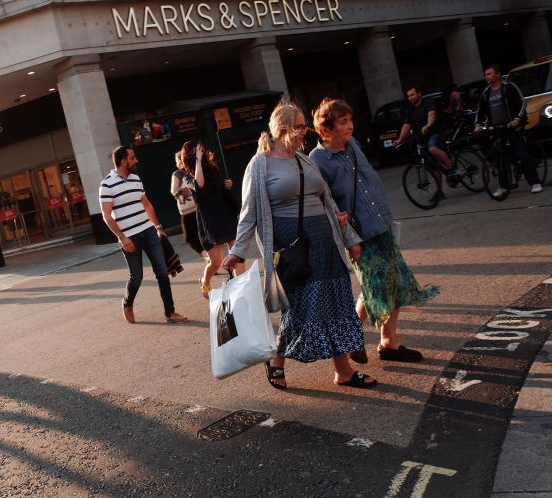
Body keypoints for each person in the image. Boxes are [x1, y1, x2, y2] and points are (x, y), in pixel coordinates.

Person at [222, 101, 375, 390]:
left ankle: (343, 371)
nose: (306, 130)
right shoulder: (260, 163)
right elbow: (249, 213)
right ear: (283, 129)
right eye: (301, 126)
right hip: (293, 246)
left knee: (336, 305)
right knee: (304, 307)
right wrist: (236, 251)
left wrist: (350, 238)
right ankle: (278, 359)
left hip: (325, 241)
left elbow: (327, 201)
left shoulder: (304, 159)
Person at [311, 97, 439, 363]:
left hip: (379, 222)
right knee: (374, 286)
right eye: (343, 122)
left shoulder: (352, 145)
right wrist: (349, 240)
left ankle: (388, 343)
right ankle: (351, 337)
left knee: (394, 283)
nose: (349, 127)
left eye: (350, 121)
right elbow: (328, 203)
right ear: (326, 129)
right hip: (358, 234)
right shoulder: (318, 159)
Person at [100, 146, 188, 324]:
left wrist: (158, 226)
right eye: (133, 158)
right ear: (123, 161)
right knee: (137, 277)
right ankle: (127, 302)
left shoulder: (136, 179)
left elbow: (147, 205)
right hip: (129, 238)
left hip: (148, 231)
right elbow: (106, 215)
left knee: (162, 272)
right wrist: (122, 237)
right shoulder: (107, 184)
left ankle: (170, 312)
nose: (136, 161)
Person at [181, 141, 243, 298]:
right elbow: (199, 184)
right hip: (209, 221)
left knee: (236, 251)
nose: (201, 154)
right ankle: (205, 281)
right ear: (190, 156)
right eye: (196, 152)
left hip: (224, 213)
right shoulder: (186, 177)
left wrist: (225, 185)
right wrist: (198, 161)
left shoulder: (213, 169)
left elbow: (217, 189)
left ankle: (241, 287)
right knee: (216, 262)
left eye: (201, 151)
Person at [474, 64, 542, 196]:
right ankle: (503, 186)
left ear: (498, 74)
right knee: (500, 158)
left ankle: (535, 182)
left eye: (489, 74)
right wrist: (478, 124)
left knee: (522, 154)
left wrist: (517, 119)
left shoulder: (509, 87)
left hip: (512, 126)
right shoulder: (485, 93)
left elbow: (522, 103)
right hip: (497, 129)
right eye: (486, 74)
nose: (486, 76)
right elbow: (480, 112)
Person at [393, 86, 457, 200]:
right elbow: (406, 125)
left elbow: (431, 114)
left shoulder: (428, 103)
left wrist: (428, 125)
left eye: (412, 95)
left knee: (432, 148)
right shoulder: (410, 110)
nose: (410, 98)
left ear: (419, 94)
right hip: (422, 136)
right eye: (408, 96)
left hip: (436, 131)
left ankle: (452, 169)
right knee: (432, 166)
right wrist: (400, 139)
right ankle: (439, 192)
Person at [169, 151, 206, 259]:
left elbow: (174, 191)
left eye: (176, 161)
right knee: (204, 236)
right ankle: (212, 260)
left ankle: (208, 256)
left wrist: (183, 193)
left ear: (180, 161)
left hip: (188, 212)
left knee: (191, 239)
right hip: (200, 208)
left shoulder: (177, 174)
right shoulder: (195, 170)